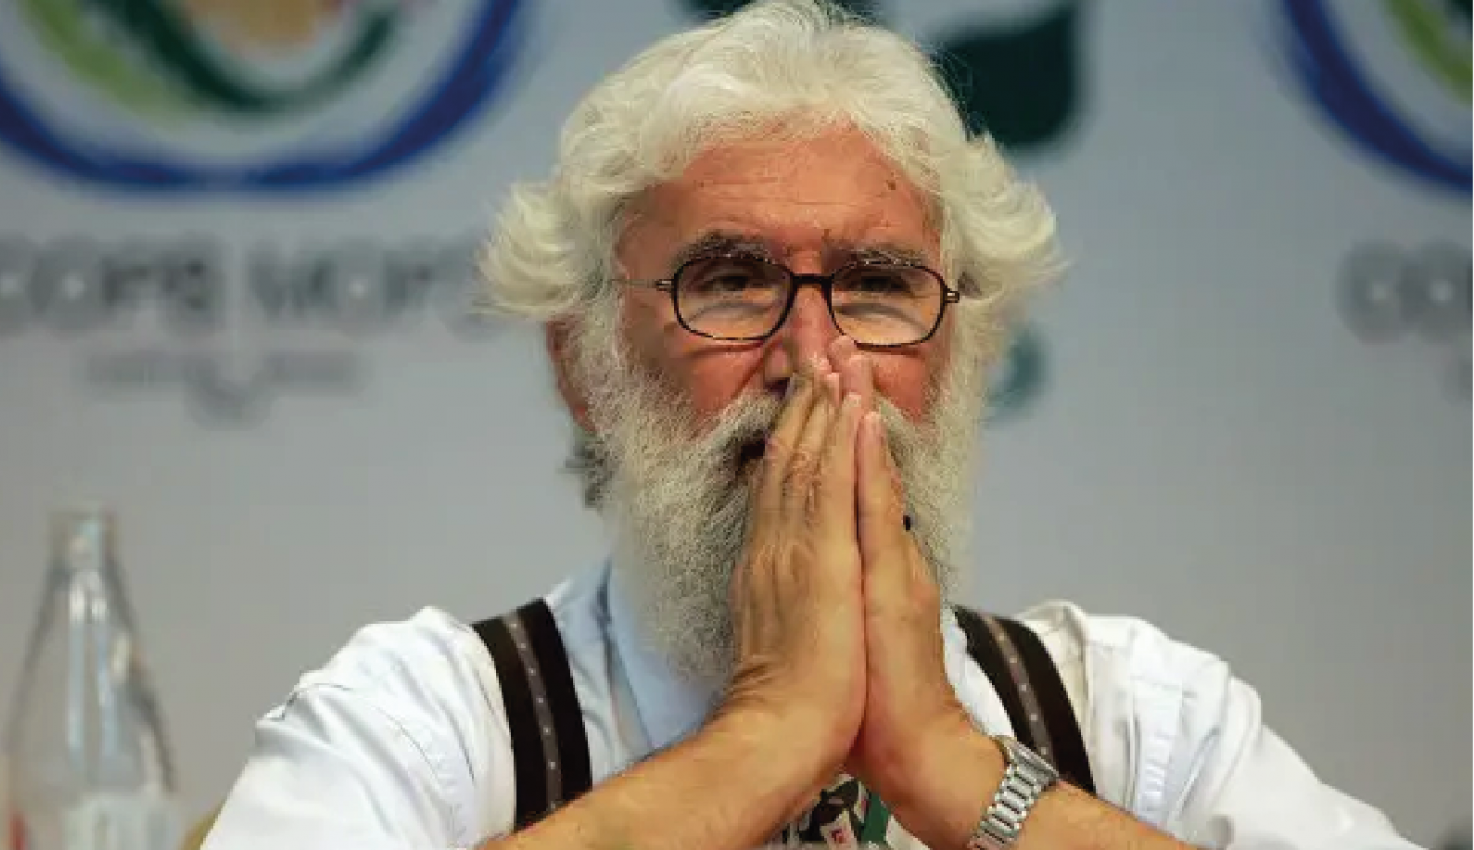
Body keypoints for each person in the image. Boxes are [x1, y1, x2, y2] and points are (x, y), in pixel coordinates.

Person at [199, 2, 1423, 848]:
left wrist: (957, 770)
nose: (813, 360)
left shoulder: (1130, 717)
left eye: (878, 288)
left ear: (963, 357)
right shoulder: (427, 723)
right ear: (583, 366)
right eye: (731, 282)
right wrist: (763, 738)